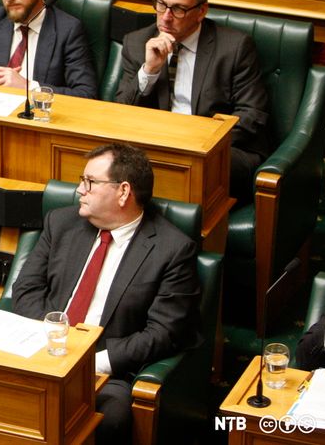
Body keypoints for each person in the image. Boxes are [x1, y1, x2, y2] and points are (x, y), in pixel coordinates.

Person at [12, 143, 201, 444]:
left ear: (123, 191)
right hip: (41, 349)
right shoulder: (61, 223)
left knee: (110, 417)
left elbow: (164, 332)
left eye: (89, 182)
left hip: (107, 369)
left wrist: (94, 362)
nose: (79, 190)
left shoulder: (172, 249)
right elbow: (26, 288)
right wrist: (49, 338)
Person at [115, 0, 270, 203]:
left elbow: (252, 115)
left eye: (178, 9)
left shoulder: (234, 48)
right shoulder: (137, 43)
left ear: (201, 11)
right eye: (162, 4)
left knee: (184, 170)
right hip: (157, 148)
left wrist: (200, 144)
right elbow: (120, 111)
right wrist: (149, 70)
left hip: (221, 152)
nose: (166, 17)